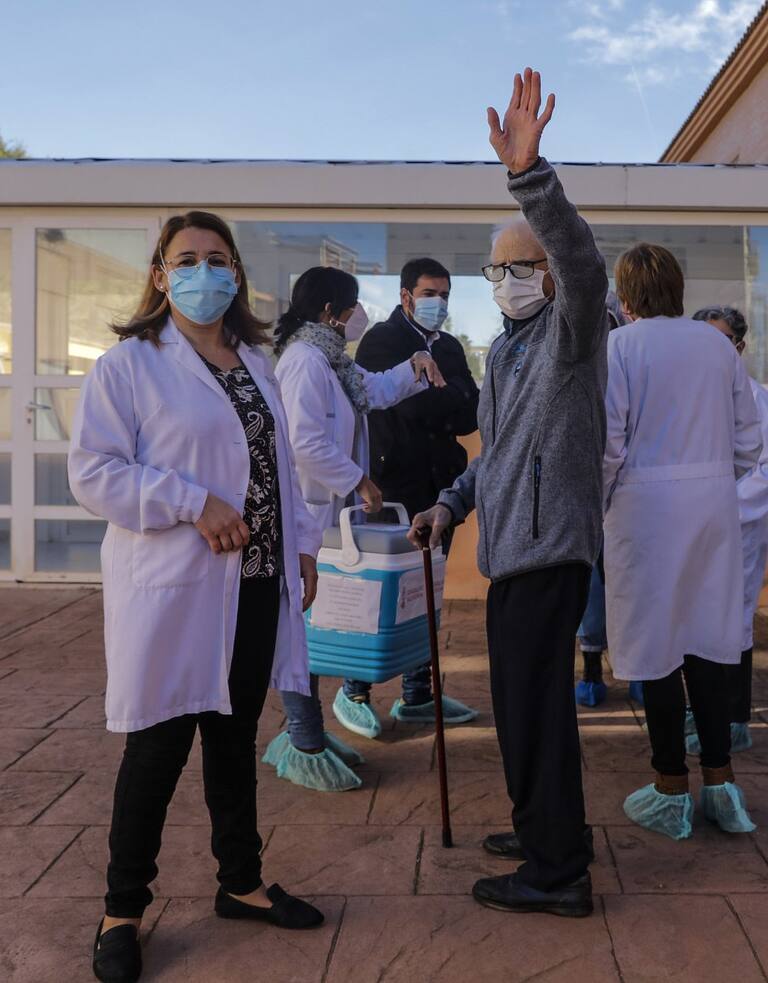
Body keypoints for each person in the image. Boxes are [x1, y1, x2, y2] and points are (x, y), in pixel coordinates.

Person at [68, 212, 325, 983]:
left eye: (217, 259)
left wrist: (303, 545)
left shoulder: (256, 361)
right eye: (186, 259)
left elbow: (278, 466)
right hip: (178, 590)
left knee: (233, 739)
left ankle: (240, 881)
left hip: (255, 585)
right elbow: (94, 471)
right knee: (157, 747)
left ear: (236, 274)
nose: (203, 272)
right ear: (159, 274)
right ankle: (121, 910)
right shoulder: (129, 365)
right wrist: (190, 501)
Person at [410, 68, 608, 918]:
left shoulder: (571, 332)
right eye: (492, 270)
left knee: (537, 712)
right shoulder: (508, 349)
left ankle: (557, 873)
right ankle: (542, 831)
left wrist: (530, 177)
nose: (501, 280)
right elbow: (498, 455)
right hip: (511, 553)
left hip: (549, 549)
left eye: (516, 267)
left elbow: (583, 262)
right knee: (521, 708)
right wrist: (451, 502)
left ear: (547, 274)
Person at [262, 265, 448, 791]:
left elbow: (375, 389)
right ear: (330, 312)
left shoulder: (331, 360)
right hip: (310, 514)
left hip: (330, 514)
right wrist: (359, 480)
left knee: (317, 626)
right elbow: (304, 443)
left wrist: (415, 366)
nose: (359, 314)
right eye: (353, 305)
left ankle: (311, 731)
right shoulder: (304, 362)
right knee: (301, 630)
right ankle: (304, 741)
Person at [603, 248, 761, 842]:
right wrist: (712, 474)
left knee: (658, 648)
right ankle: (721, 783)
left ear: (626, 297)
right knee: (708, 641)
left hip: (644, 511)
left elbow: (609, 445)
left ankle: (671, 787)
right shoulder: (716, 346)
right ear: (678, 287)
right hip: (712, 508)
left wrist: (602, 501)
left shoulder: (619, 347)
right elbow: (749, 441)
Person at [331, 258, 480, 737]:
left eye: (445, 294)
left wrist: (441, 396)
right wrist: (446, 396)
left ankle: (418, 694)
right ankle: (354, 689)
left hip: (439, 489)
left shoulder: (450, 346)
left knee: (426, 594)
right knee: (381, 593)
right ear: (406, 296)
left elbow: (471, 414)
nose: (439, 302)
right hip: (393, 488)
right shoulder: (383, 340)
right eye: (430, 293)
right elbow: (411, 405)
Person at [685, 306, 768, 754]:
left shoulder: (758, 400)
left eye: (723, 342)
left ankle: (734, 719)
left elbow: (765, 472)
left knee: (733, 622)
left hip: (739, 529)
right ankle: (700, 710)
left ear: (740, 347)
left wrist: (719, 507)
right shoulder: (687, 396)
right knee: (693, 619)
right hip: (691, 527)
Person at [574, 292, 645, 708]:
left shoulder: (629, 357)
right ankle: (591, 671)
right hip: (584, 493)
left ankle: (639, 669)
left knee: (634, 584)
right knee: (590, 586)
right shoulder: (570, 359)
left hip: (631, 492)